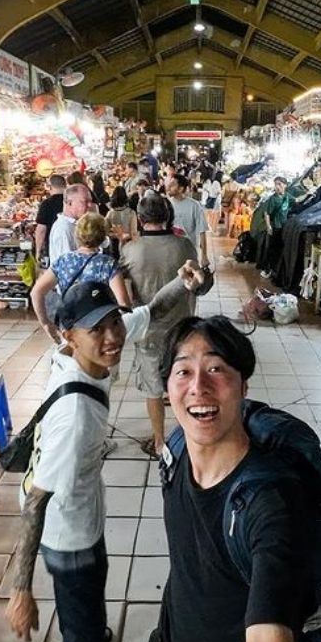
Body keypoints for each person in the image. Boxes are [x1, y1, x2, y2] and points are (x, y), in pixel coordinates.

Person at [5, 264, 212, 642]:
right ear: (69, 335)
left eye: (113, 322)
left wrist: (181, 282)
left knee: (85, 598)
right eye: (95, 330)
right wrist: (20, 590)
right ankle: (86, 641)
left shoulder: (72, 353)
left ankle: (92, 629)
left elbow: (151, 310)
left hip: (76, 503)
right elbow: (36, 503)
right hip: (69, 532)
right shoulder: (76, 417)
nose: (112, 337)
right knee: (80, 624)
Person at [147, 315, 310, 642]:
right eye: (183, 371)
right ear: (168, 388)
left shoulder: (268, 501)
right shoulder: (176, 453)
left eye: (216, 368)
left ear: (243, 385)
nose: (198, 387)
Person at [120, 193, 202, 457]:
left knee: (154, 389)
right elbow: (199, 285)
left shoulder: (130, 250)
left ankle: (159, 441)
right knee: (185, 385)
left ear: (140, 220)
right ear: (168, 216)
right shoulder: (185, 247)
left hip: (149, 331)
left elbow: (126, 292)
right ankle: (187, 438)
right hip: (183, 329)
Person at [32, 212, 130, 344]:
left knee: (71, 362)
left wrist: (45, 323)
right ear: (103, 237)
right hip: (99, 329)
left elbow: (36, 292)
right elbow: (123, 303)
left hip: (70, 327)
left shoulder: (63, 261)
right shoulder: (107, 264)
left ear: (77, 234)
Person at [48, 183, 97, 266]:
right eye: (85, 201)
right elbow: (68, 266)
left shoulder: (75, 225)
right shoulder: (63, 229)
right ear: (70, 203)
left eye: (90, 201)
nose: (90, 205)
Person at [166, 173, 209, 267]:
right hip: (170, 252)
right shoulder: (166, 204)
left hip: (189, 253)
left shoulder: (194, 206)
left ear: (181, 189)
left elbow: (202, 231)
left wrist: (204, 256)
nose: (168, 187)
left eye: (172, 185)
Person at [254, 177, 292, 279]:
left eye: (279, 184)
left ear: (285, 185)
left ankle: (274, 269)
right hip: (275, 227)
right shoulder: (273, 199)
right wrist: (268, 226)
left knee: (279, 249)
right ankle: (267, 269)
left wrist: (309, 195)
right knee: (272, 249)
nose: (277, 187)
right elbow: (267, 213)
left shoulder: (287, 196)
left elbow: (297, 200)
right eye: (276, 184)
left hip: (283, 227)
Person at [35, 174, 67, 264]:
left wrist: (38, 251)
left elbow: (41, 230)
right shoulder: (70, 201)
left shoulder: (46, 204)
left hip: (53, 246)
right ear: (65, 185)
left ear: (50, 187)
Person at [105, 186, 138, 259]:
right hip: (128, 244)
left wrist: (116, 235)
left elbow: (106, 232)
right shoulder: (131, 213)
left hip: (114, 245)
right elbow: (133, 232)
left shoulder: (110, 214)